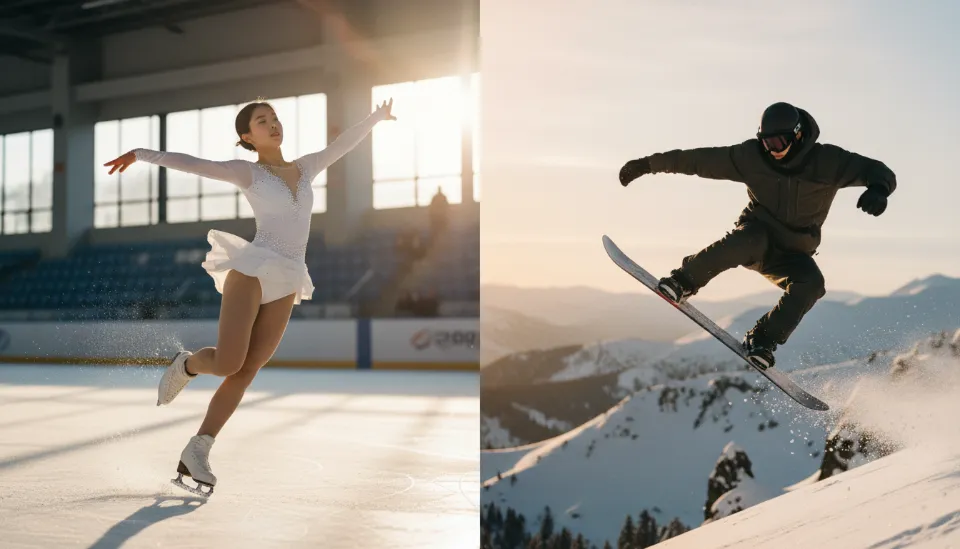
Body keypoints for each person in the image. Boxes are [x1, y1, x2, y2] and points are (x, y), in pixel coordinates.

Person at [103, 97, 397, 496]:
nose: (273, 124)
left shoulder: (306, 167)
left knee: (247, 371)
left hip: (290, 275)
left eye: (274, 118)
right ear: (248, 136)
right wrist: (141, 153)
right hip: (255, 269)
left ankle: (198, 448)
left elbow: (341, 145)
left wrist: (374, 118)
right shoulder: (249, 172)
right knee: (228, 363)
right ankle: (187, 364)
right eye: (263, 121)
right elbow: (194, 163)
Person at [617, 102, 896, 370]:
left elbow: (878, 171)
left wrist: (878, 189)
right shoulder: (750, 157)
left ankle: (762, 340)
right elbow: (697, 160)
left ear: (797, 136)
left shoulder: (828, 161)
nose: (771, 150)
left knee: (811, 284)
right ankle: (683, 281)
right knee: (746, 241)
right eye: (766, 142)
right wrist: (646, 165)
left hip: (794, 252)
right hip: (758, 235)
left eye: (778, 143)